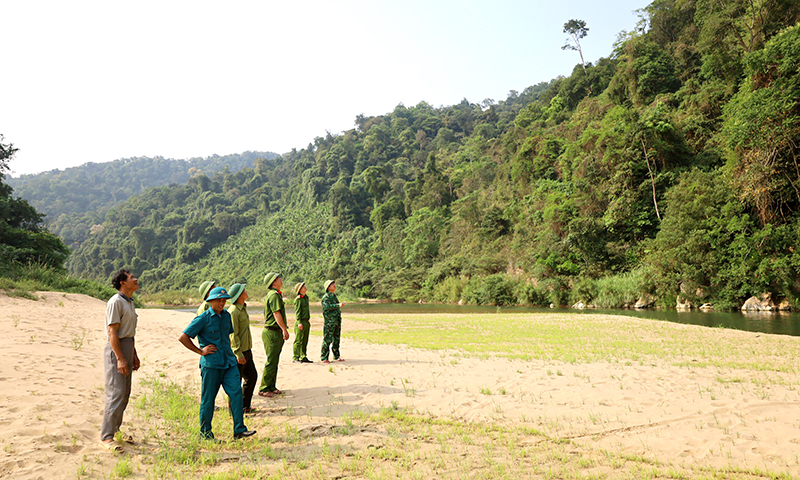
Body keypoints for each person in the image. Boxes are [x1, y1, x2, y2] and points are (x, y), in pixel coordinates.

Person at [179, 287, 256, 441]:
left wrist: (233, 355)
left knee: (235, 393)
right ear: (210, 301)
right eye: (218, 300)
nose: (222, 303)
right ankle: (206, 434)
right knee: (208, 399)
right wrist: (201, 351)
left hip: (229, 363)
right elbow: (184, 337)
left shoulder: (227, 316)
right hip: (212, 365)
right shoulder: (203, 318)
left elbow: (228, 337)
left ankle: (239, 429)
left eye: (224, 300)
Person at [99, 269, 141, 453]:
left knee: (124, 393)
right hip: (117, 350)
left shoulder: (129, 302)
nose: (136, 279)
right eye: (132, 277)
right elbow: (112, 333)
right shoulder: (115, 302)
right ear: (122, 283)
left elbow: (128, 333)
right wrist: (121, 358)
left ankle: (115, 430)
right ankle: (106, 437)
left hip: (127, 347)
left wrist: (134, 354)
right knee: (115, 394)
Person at [258, 272, 289, 397]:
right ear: (273, 283)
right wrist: (284, 329)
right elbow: (277, 314)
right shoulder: (274, 295)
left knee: (274, 360)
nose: (281, 280)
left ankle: (271, 386)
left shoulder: (274, 295)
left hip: (274, 331)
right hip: (272, 332)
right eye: (278, 278)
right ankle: (264, 388)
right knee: (271, 360)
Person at [227, 283, 257, 413]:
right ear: (239, 295)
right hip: (239, 352)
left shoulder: (243, 308)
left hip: (246, 350)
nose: (246, 291)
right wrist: (238, 353)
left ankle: (245, 406)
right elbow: (233, 334)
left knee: (252, 377)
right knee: (235, 382)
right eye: (243, 290)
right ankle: (234, 409)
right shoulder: (233, 311)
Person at [320, 279, 345, 364]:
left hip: (336, 321)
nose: (334, 285)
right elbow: (326, 307)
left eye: (334, 284)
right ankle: (324, 357)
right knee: (327, 339)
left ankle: (336, 355)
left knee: (336, 339)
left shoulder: (334, 296)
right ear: (328, 287)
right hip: (329, 322)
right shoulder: (326, 297)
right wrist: (337, 305)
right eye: (332, 284)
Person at [292, 282, 312, 363]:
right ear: (299, 290)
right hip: (300, 322)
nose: (305, 287)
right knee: (298, 340)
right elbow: (298, 312)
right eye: (303, 287)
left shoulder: (306, 298)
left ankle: (303, 356)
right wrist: (299, 322)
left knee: (305, 340)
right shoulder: (298, 299)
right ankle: (296, 357)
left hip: (306, 321)